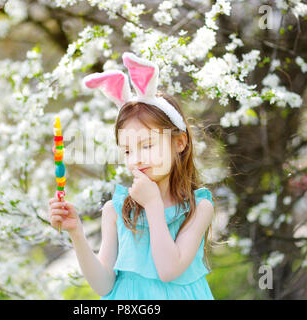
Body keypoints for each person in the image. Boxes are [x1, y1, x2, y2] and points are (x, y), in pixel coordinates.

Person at [48, 52, 215, 300]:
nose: (136, 158)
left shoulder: (198, 208)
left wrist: (153, 205)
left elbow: (169, 270)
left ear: (179, 142)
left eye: (147, 145)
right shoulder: (116, 210)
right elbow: (105, 285)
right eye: (128, 149)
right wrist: (77, 233)